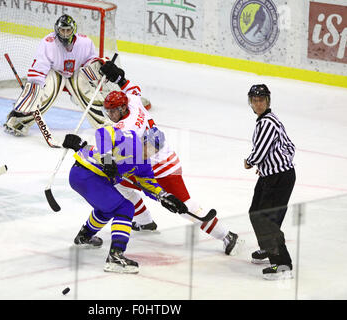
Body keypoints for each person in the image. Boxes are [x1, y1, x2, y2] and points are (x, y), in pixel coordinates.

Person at [94, 62, 244, 255]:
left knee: (184, 206)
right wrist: (118, 79)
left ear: (122, 109)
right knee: (118, 182)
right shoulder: (132, 101)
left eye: (113, 112)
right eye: (109, 112)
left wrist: (106, 159)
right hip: (161, 158)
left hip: (159, 168)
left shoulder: (127, 128)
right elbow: (131, 88)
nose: (111, 115)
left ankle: (227, 235)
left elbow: (116, 146)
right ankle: (144, 221)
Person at [62, 125, 188, 274]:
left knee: (108, 208)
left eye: (156, 149)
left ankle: (84, 236)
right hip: (86, 173)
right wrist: (108, 160)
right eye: (151, 146)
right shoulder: (131, 140)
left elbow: (148, 184)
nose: (151, 151)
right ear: (144, 140)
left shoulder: (143, 164)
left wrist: (165, 197)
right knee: (125, 208)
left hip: (90, 178)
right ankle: (115, 256)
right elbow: (103, 133)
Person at [4, 14, 105, 136]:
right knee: (43, 96)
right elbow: (39, 68)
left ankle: (105, 124)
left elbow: (90, 61)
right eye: (62, 30)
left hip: (76, 72)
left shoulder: (85, 42)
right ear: (57, 30)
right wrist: (34, 92)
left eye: (68, 30)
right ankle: (17, 121)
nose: (65, 34)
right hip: (55, 72)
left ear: (74, 30)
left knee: (89, 95)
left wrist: (100, 67)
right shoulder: (48, 43)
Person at [244, 84, 296, 280]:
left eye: (261, 100)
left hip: (278, 179)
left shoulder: (267, 123)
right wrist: (269, 165)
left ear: (268, 101)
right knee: (256, 213)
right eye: (254, 100)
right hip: (271, 176)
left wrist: (250, 162)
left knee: (266, 220)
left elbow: (258, 154)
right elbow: (290, 147)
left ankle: (282, 264)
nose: (258, 104)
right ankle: (268, 248)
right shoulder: (269, 120)